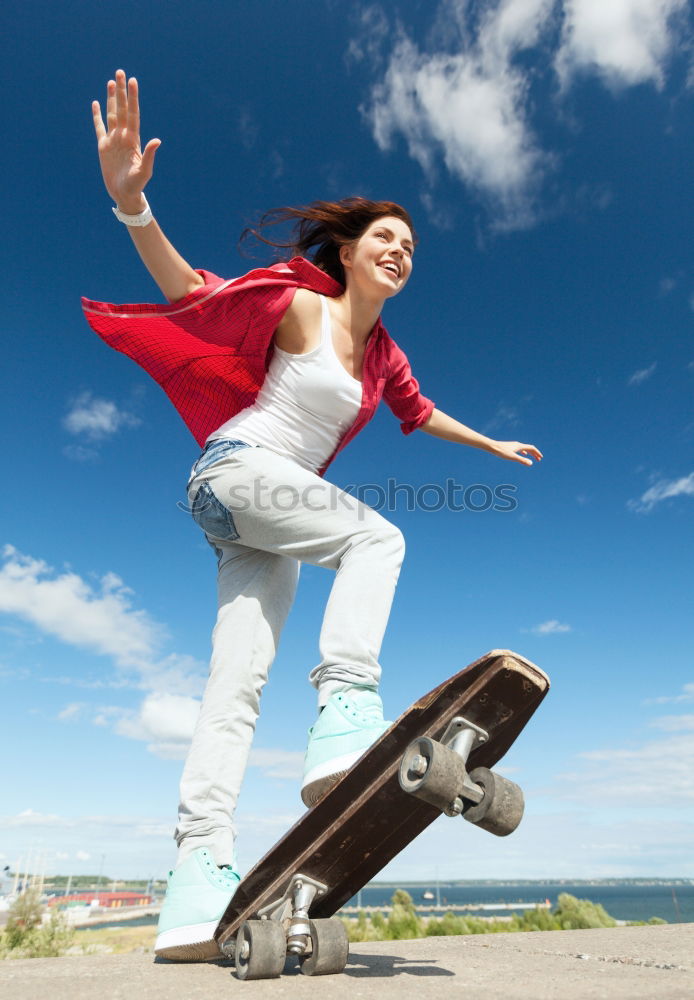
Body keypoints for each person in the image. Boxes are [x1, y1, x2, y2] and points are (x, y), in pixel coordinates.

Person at [84, 70, 542, 961]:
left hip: (256, 520)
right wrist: (133, 208)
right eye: (386, 236)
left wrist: (490, 447)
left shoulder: (385, 358)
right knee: (378, 535)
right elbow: (191, 292)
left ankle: (195, 881)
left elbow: (422, 412)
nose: (401, 250)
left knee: (236, 686)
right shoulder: (302, 305)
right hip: (238, 471)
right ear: (350, 248)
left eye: (412, 245)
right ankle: (343, 714)